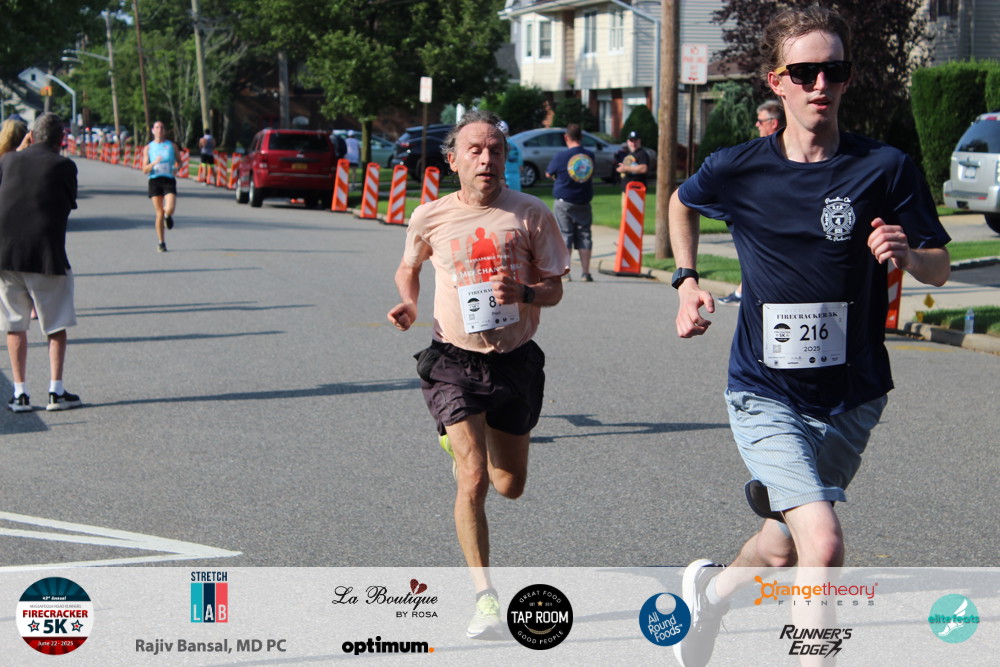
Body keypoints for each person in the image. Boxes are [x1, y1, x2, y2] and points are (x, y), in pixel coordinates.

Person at [668, 7, 951, 666]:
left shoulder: (884, 167)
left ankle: (710, 593)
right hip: (765, 391)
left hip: (853, 395)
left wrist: (909, 255)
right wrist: (686, 280)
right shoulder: (739, 168)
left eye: (834, 70)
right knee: (821, 543)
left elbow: (939, 264)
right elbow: (682, 202)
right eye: (804, 72)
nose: (820, 84)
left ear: (848, 78)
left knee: (780, 547)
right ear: (777, 81)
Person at [387, 109, 569, 640]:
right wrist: (408, 303)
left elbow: (556, 288)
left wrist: (527, 292)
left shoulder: (530, 213)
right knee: (473, 478)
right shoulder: (430, 216)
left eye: (496, 150)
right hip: (454, 360)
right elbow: (409, 266)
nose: (487, 158)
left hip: (515, 361)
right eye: (475, 150)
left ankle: (471, 439)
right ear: (453, 160)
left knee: (509, 485)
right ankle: (485, 597)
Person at [0, 113, 83, 413]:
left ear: (31, 136)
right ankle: (55, 391)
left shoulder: (7, 161)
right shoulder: (64, 166)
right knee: (55, 325)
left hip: (6, 255)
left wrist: (22, 150)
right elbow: (69, 203)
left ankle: (20, 393)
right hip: (47, 255)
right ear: (61, 140)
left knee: (14, 325)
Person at [718, 100, 786, 306]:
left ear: (773, 123)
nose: (757, 125)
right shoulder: (759, 151)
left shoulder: (781, 151)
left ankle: (744, 293)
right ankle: (742, 292)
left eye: (761, 121)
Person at [546, 123, 595, 281]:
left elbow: (549, 173)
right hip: (584, 201)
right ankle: (586, 272)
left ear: (566, 137)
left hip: (564, 201)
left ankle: (565, 273)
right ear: (581, 137)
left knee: (565, 235)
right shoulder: (589, 156)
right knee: (585, 235)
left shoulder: (561, 156)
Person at [142, 120, 180, 253]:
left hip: (168, 179)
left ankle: (168, 216)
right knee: (159, 212)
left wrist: (177, 168)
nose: (159, 130)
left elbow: (179, 161)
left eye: (162, 127)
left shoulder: (172, 146)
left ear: (165, 131)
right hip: (154, 180)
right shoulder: (148, 148)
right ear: (153, 131)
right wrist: (154, 163)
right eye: (157, 127)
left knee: (169, 208)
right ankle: (161, 242)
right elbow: (144, 169)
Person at [496, 120, 522, 191]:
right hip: (516, 180)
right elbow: (521, 167)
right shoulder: (515, 146)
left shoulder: (499, 147)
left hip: (504, 180)